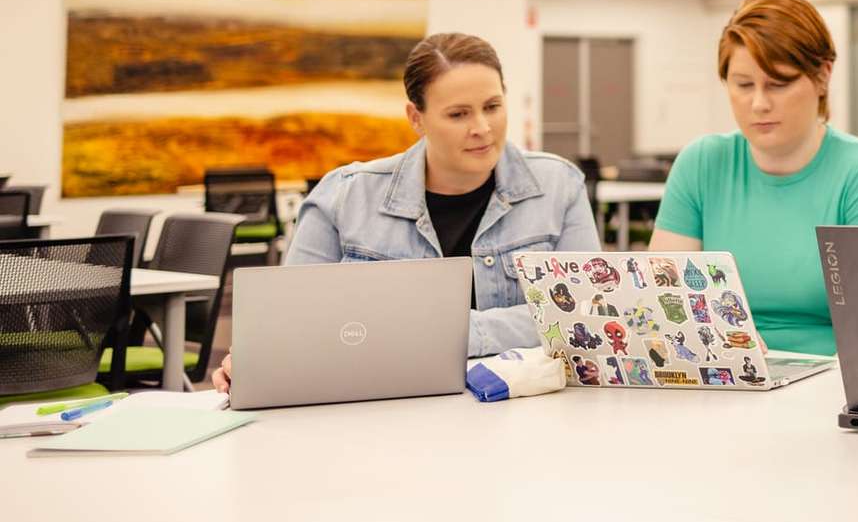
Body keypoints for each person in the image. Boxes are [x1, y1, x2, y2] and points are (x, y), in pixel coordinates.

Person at [213, 32, 599, 391]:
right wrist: (254, 359)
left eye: (492, 107)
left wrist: (450, 332)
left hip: (521, 409)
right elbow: (290, 322)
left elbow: (583, 315)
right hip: (376, 407)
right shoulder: (344, 198)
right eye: (458, 114)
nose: (482, 127)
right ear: (416, 118)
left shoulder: (559, 186)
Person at [647, 0, 858, 356]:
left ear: (822, 77)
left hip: (833, 386)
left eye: (779, 83)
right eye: (743, 85)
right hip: (722, 378)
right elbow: (665, 304)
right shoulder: (701, 163)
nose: (759, 103)